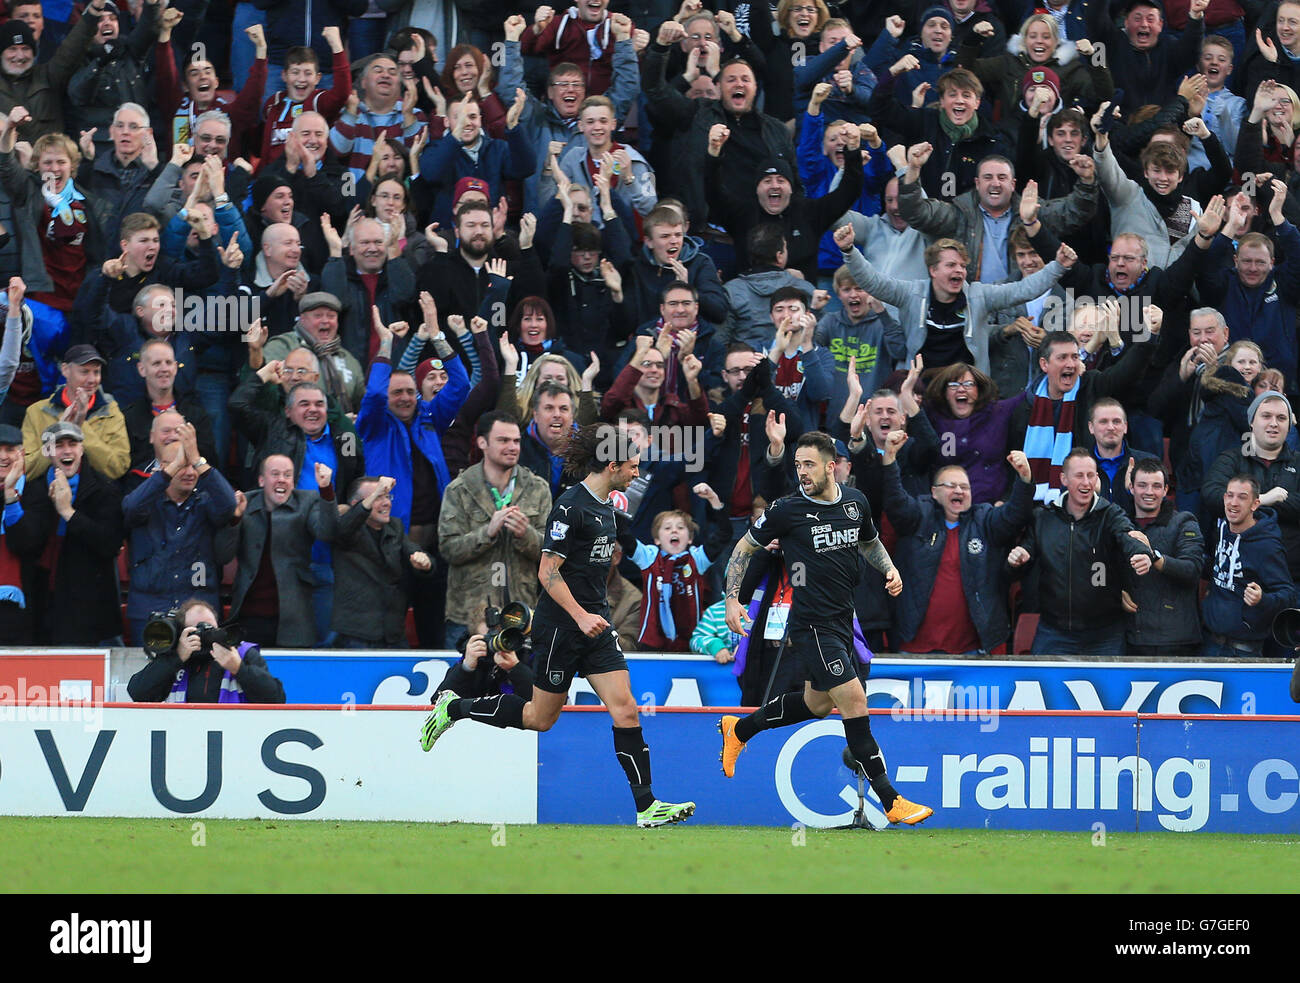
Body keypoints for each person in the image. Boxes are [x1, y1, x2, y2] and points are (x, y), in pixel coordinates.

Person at [421, 422, 697, 829]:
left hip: (596, 627)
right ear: (613, 464)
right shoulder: (570, 506)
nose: (638, 472)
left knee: (627, 710)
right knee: (540, 718)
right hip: (562, 628)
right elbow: (548, 572)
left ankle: (647, 807)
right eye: (633, 465)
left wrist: (594, 615)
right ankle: (454, 707)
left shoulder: (609, 507)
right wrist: (580, 615)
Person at [718, 430, 934, 826]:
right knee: (854, 702)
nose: (801, 472)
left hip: (842, 620)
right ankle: (891, 800)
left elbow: (868, 541)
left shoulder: (855, 502)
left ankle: (740, 729)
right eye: (797, 464)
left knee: (817, 705)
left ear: (831, 466)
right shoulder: (786, 509)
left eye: (809, 464)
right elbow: (743, 549)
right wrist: (732, 598)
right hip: (812, 625)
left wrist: (888, 568)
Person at [882, 431, 1035, 653]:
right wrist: (889, 459)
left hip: (970, 652)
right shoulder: (918, 515)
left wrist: (1024, 479)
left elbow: (1015, 515)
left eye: (964, 487)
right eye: (951, 485)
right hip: (915, 648)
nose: (959, 491)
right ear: (934, 493)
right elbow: (895, 502)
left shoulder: (985, 519)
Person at [1008, 447, 1155, 655]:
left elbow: (1127, 536)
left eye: (1091, 476)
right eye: (1079, 476)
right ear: (1064, 479)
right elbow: (1024, 554)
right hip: (1054, 632)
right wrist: (1017, 558)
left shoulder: (1110, 514)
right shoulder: (1042, 517)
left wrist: (1141, 553)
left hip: (1105, 635)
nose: (1086, 483)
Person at [438, 412, 552, 651]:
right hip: (468, 616)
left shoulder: (538, 488)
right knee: (464, 685)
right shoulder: (458, 490)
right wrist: (486, 533)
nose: (512, 447)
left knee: (521, 688)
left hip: (522, 614)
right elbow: (448, 549)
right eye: (503, 440)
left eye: (516, 441)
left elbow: (551, 554)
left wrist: (526, 534)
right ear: (482, 443)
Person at [6, 421, 124, 645]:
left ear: (81, 449)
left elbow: (109, 544)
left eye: (73, 443)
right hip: (44, 606)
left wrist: (68, 513)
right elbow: (22, 544)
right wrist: (11, 496)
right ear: (47, 451)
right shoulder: (36, 489)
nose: (67, 450)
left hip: (90, 611)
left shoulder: (103, 489)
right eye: (58, 445)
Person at [121, 420, 236, 645]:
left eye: (192, 465)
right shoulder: (146, 502)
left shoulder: (206, 502)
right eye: (182, 465)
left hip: (199, 612)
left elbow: (228, 505)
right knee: (149, 678)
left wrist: (197, 459)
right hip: (150, 612)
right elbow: (130, 508)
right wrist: (168, 471)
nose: (190, 472)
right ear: (164, 467)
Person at [219, 454, 340, 648]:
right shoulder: (244, 503)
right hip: (249, 616)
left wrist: (326, 490)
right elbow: (223, 555)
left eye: (287, 475)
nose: (281, 479)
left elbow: (328, 533)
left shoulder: (308, 501)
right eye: (275, 474)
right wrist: (235, 519)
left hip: (294, 618)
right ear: (261, 480)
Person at [1203, 391, 1300, 580]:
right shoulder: (1230, 460)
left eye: (1281, 418)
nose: (1273, 423)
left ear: (1289, 426)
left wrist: (1246, 503)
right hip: (1237, 574)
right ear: (1252, 422)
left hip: (1291, 576)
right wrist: (1263, 499)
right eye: (1266, 416)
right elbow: (1212, 495)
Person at [331, 474, 433, 648]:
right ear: (357, 504)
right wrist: (377, 489)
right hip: (357, 635)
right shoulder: (347, 529)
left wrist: (425, 563)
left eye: (387, 496)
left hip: (393, 632)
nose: (386, 502)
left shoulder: (395, 526)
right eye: (378, 497)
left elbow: (413, 551)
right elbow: (342, 529)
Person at [1202, 475, 1298, 658]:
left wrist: (1262, 599)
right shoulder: (1221, 528)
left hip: (1243, 649)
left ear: (1255, 504)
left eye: (1242, 497)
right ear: (1224, 499)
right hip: (1210, 641)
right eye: (1230, 495)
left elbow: (1288, 594)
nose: (1234, 502)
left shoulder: (1267, 545)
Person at [126, 597, 286, 703]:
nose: (204, 636)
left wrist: (239, 669)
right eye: (196, 630)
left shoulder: (240, 653)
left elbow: (276, 699)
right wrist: (176, 658)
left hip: (232, 741)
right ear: (182, 632)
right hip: (180, 741)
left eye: (210, 629)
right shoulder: (174, 657)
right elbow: (138, 694)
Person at [1122, 459, 1206, 659]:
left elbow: (1192, 570)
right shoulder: (1121, 523)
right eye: (1142, 485)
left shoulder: (1184, 522)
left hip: (1176, 641)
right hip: (1131, 638)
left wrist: (1155, 558)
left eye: (1156, 486)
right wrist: (1115, 593)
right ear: (1131, 488)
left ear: (1166, 489)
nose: (1149, 492)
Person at [20, 344, 130, 481]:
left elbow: (118, 468)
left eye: (96, 372)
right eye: (84, 372)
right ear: (65, 370)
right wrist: (58, 433)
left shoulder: (112, 412)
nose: (91, 380)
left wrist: (80, 424)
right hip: (46, 494)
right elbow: (25, 469)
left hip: (97, 496)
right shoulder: (36, 412)